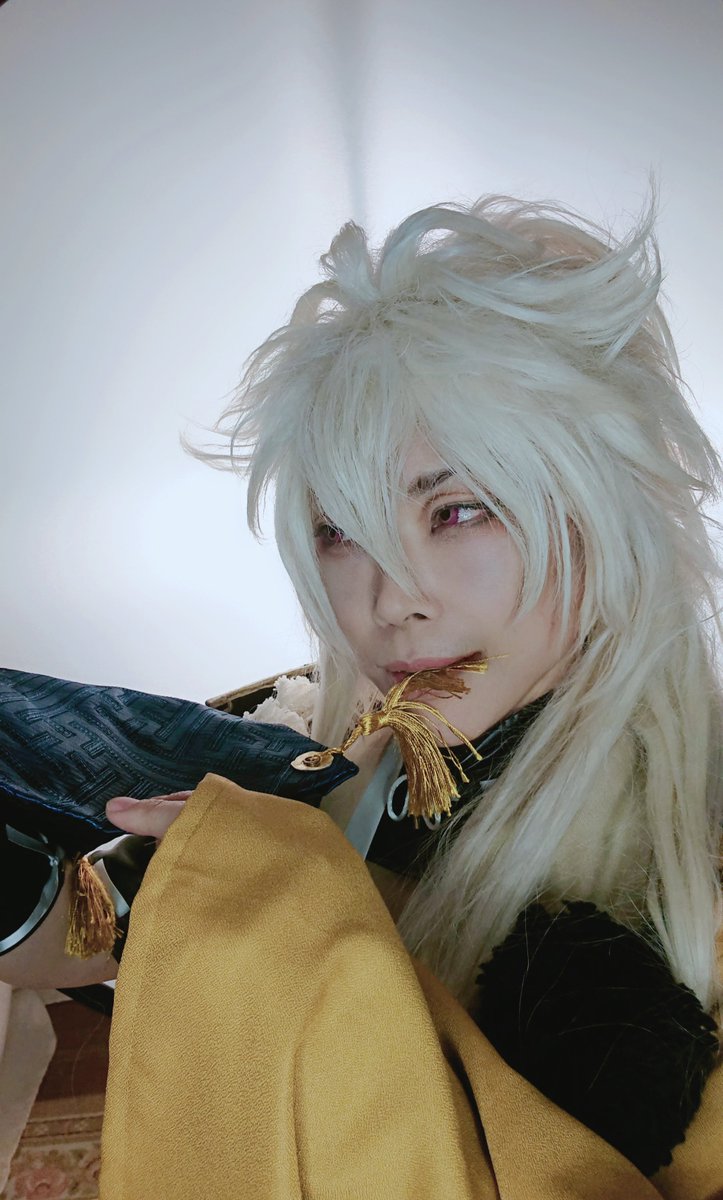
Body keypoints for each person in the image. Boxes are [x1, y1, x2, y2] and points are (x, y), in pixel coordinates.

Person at [2, 191, 722, 1192]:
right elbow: (78, 921)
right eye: (339, 532)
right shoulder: (350, 751)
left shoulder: (686, 894)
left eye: (457, 511)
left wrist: (283, 903)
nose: (389, 600)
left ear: (600, 510)